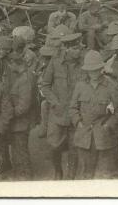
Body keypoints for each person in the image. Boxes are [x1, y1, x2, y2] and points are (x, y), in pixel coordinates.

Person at [69, 50, 118, 179]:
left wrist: (108, 126)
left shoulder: (111, 85)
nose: (93, 73)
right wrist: (79, 122)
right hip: (84, 136)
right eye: (90, 70)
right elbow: (72, 108)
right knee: (85, 175)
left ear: (101, 68)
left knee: (104, 175)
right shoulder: (80, 86)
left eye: (96, 69)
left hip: (104, 138)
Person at [41, 26, 82, 180]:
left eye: (79, 47)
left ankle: (71, 175)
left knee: (75, 146)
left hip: (77, 112)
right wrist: (54, 102)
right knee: (53, 145)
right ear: (66, 48)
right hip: (58, 111)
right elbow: (45, 85)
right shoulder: (55, 61)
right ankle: (58, 171)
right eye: (75, 48)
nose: (78, 51)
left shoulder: (84, 62)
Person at [8, 55, 34, 180]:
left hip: (20, 123)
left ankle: (25, 178)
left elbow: (24, 106)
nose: (9, 66)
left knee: (21, 151)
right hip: (17, 123)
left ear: (17, 64)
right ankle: (19, 175)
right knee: (17, 150)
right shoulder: (22, 77)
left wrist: (9, 114)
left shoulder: (24, 80)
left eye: (11, 64)